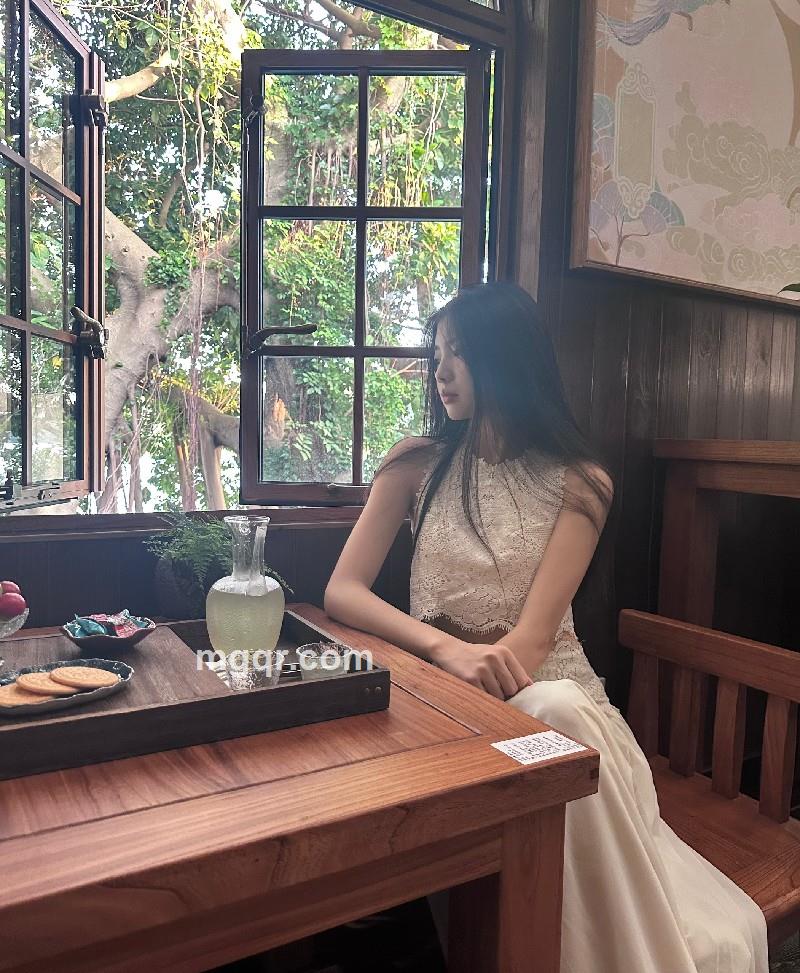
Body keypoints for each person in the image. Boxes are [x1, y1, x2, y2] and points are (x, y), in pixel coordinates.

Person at [324, 281, 768, 973]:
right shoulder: (416, 463)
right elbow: (341, 590)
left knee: (556, 711)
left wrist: (479, 675)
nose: (441, 371)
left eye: (460, 353)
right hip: (445, 705)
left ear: (507, 356)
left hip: (554, 703)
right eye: (437, 354)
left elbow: (530, 645)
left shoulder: (581, 481)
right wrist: (444, 648)